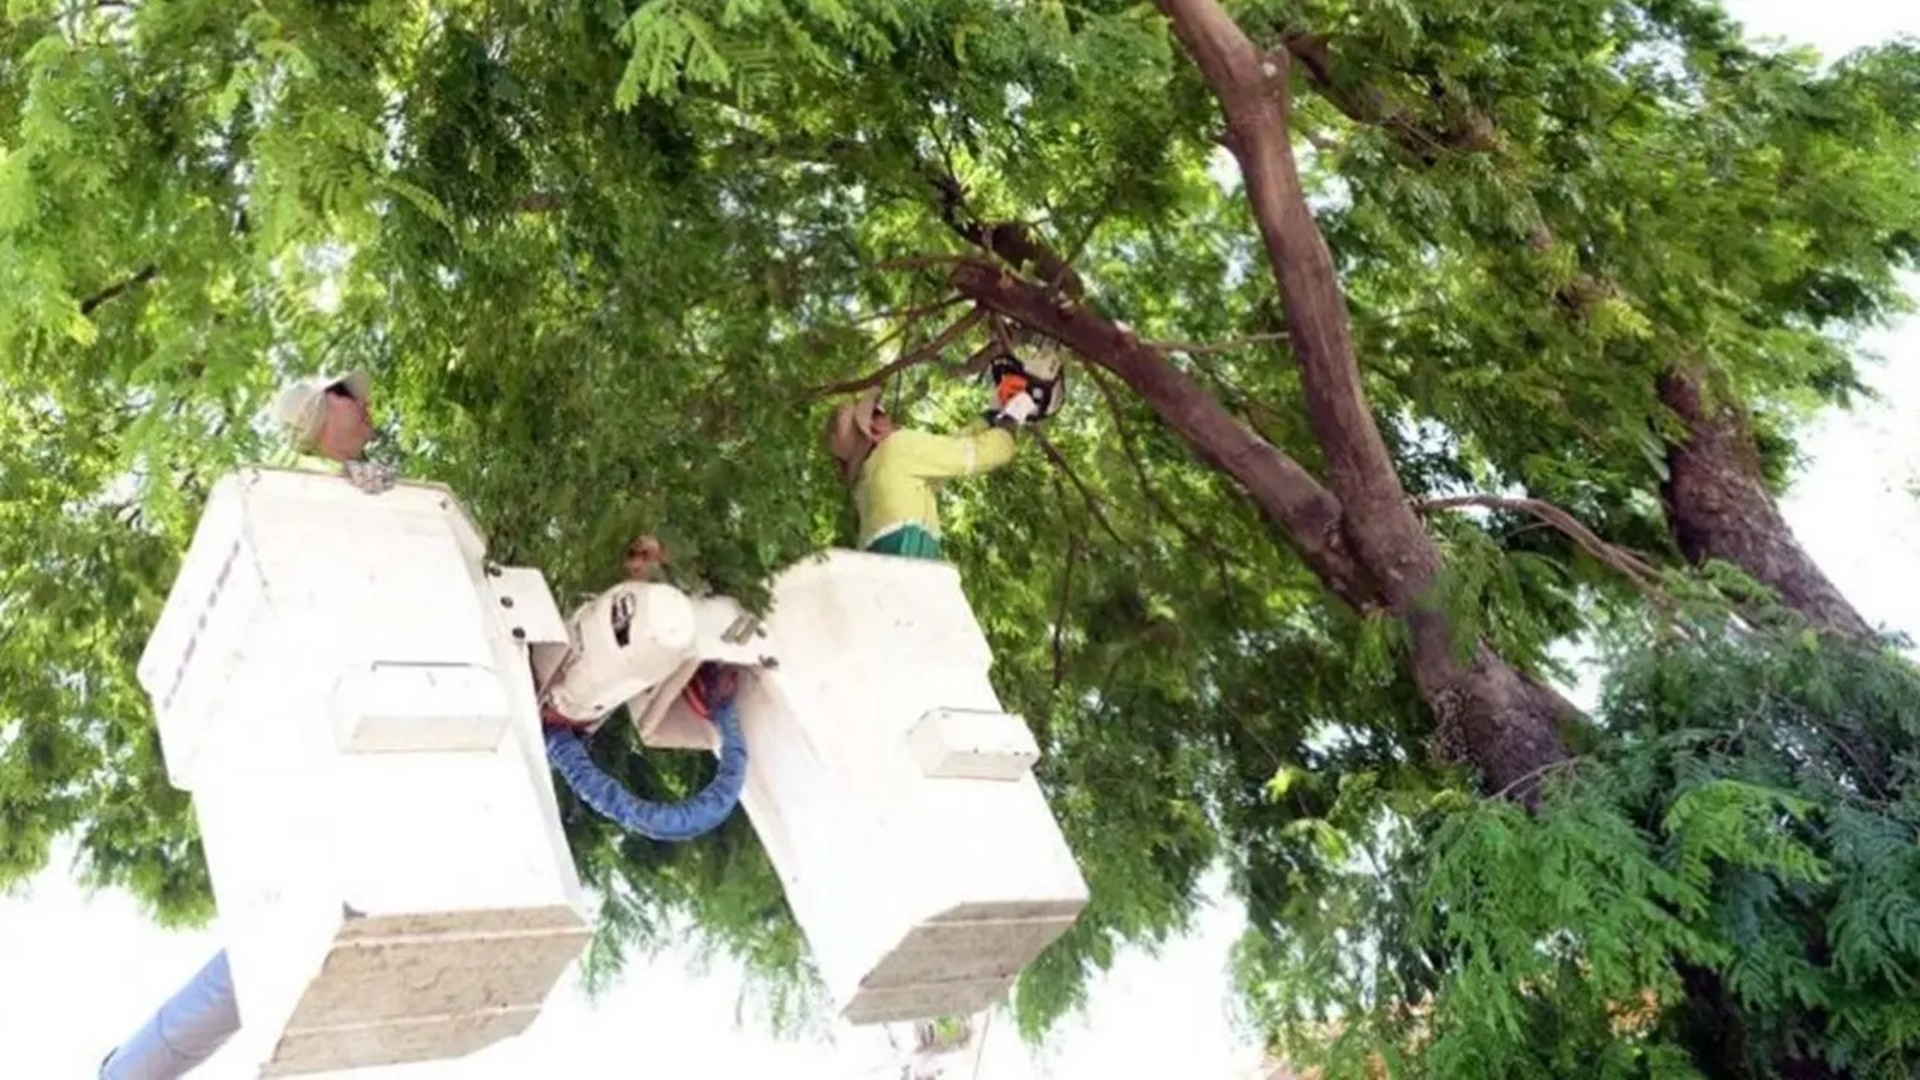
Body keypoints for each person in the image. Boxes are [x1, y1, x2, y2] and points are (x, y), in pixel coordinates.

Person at [823, 372, 1044, 561]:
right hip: (913, 564)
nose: (889, 416)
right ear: (874, 429)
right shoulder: (896, 447)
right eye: (880, 412)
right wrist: (1012, 419)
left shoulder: (866, 483)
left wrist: (989, 417)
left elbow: (947, 451)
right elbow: (980, 454)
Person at [271, 368, 398, 493]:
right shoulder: (305, 488)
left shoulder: (365, 477)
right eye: (347, 392)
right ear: (314, 415)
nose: (366, 401)